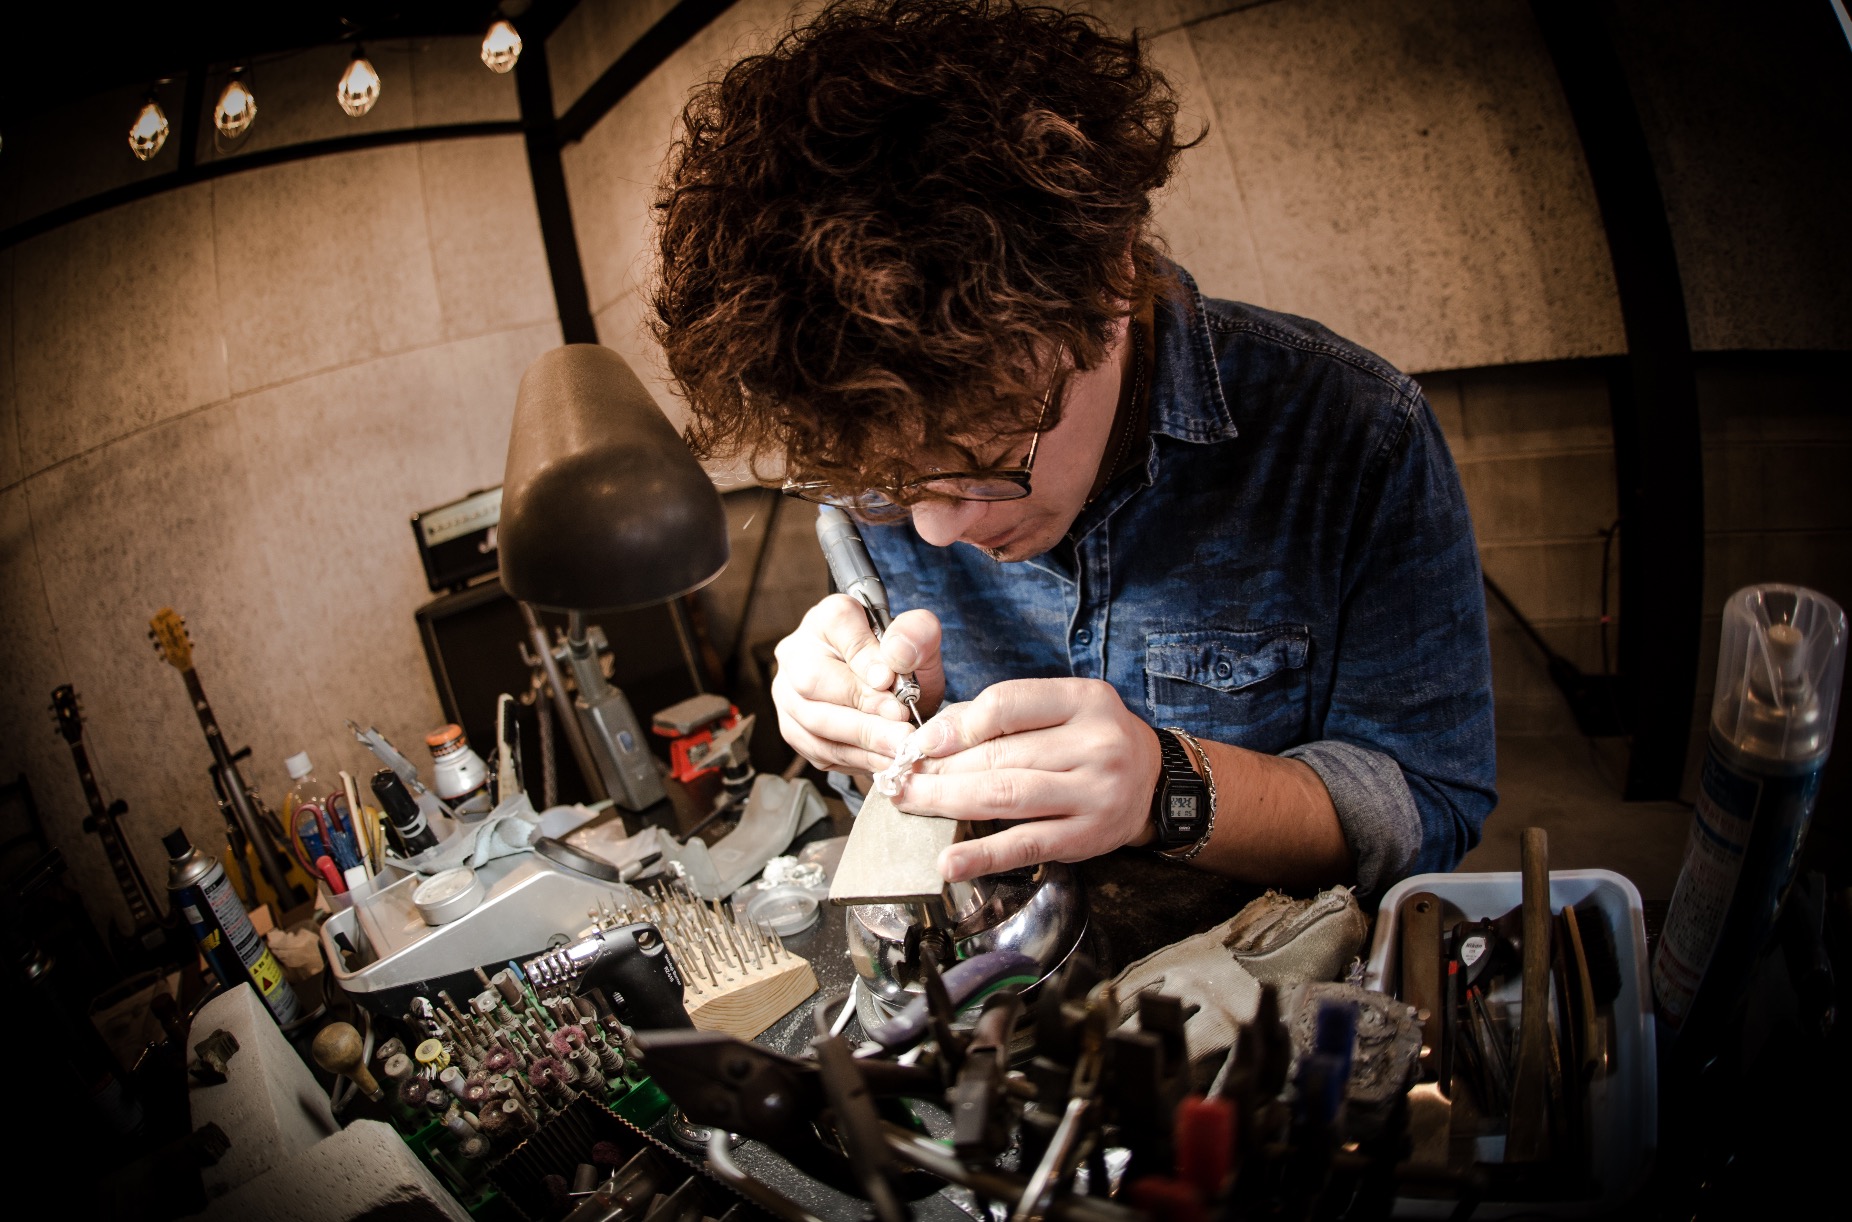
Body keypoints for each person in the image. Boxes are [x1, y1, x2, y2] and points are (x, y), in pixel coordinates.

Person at [652, 0, 1496, 904]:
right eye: (891, 485)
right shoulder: (878, 457)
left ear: (1110, 283)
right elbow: (905, 791)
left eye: (983, 461)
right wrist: (867, 735)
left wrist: (1170, 788)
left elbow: (1430, 805)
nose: (934, 532)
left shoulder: (1353, 431)